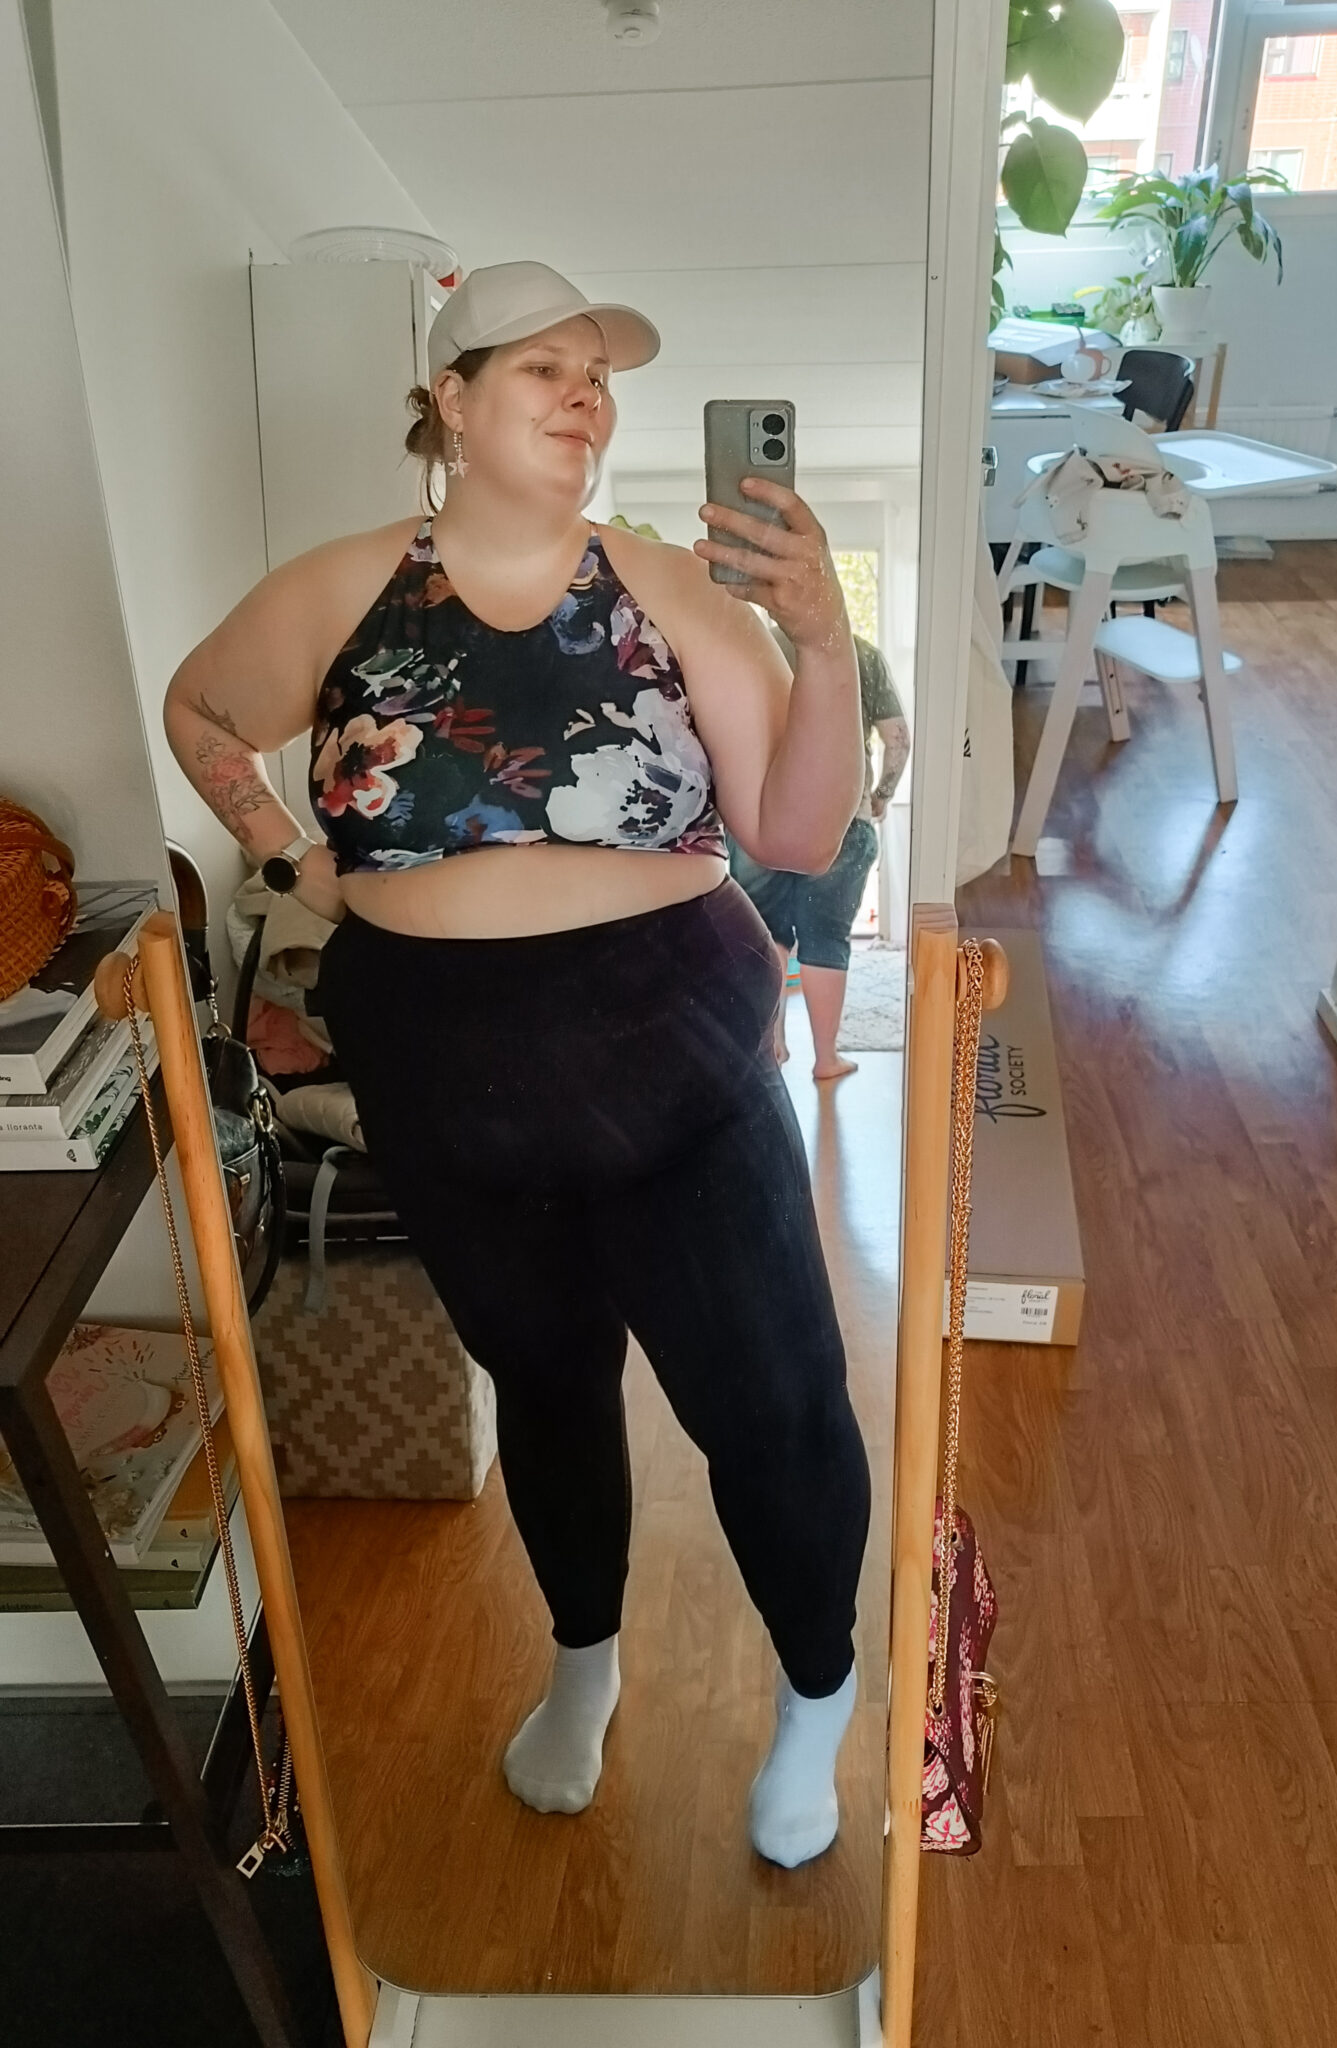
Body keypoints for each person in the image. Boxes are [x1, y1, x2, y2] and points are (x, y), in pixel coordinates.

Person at [163, 262, 872, 1871]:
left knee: (769, 1400)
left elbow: (794, 831)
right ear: (453, 401)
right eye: (544, 366)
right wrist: (285, 858)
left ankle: (816, 1692)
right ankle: (585, 1660)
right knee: (545, 1391)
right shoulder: (341, 591)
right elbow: (202, 708)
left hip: (673, 1049)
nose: (585, 393)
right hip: (444, 1070)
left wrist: (822, 642)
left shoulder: (671, 590)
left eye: (598, 374)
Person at [729, 634, 909, 1080]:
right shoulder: (861, 654)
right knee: (826, 937)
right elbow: (898, 740)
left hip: (762, 814)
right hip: (842, 818)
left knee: (765, 930)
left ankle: (772, 1044)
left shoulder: (749, 645)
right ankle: (826, 1058)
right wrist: (882, 793)